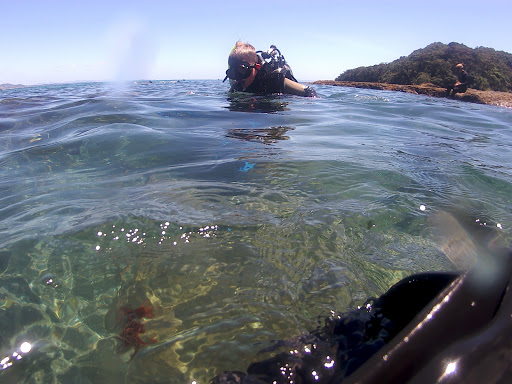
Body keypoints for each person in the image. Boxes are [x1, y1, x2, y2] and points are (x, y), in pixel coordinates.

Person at [223, 41, 316, 97]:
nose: (239, 78)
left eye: (242, 70)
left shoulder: (273, 79)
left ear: (257, 66)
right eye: (233, 73)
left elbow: (309, 91)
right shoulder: (238, 84)